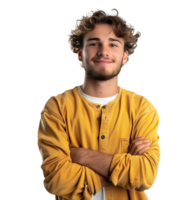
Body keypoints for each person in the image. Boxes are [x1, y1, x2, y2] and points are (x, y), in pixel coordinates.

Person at [36, 7, 162, 200]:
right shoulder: (56, 108)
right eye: (94, 44)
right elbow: (55, 178)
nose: (104, 51)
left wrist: (80, 156)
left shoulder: (143, 109)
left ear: (126, 56)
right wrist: (125, 169)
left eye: (113, 44)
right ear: (79, 54)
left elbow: (147, 175)